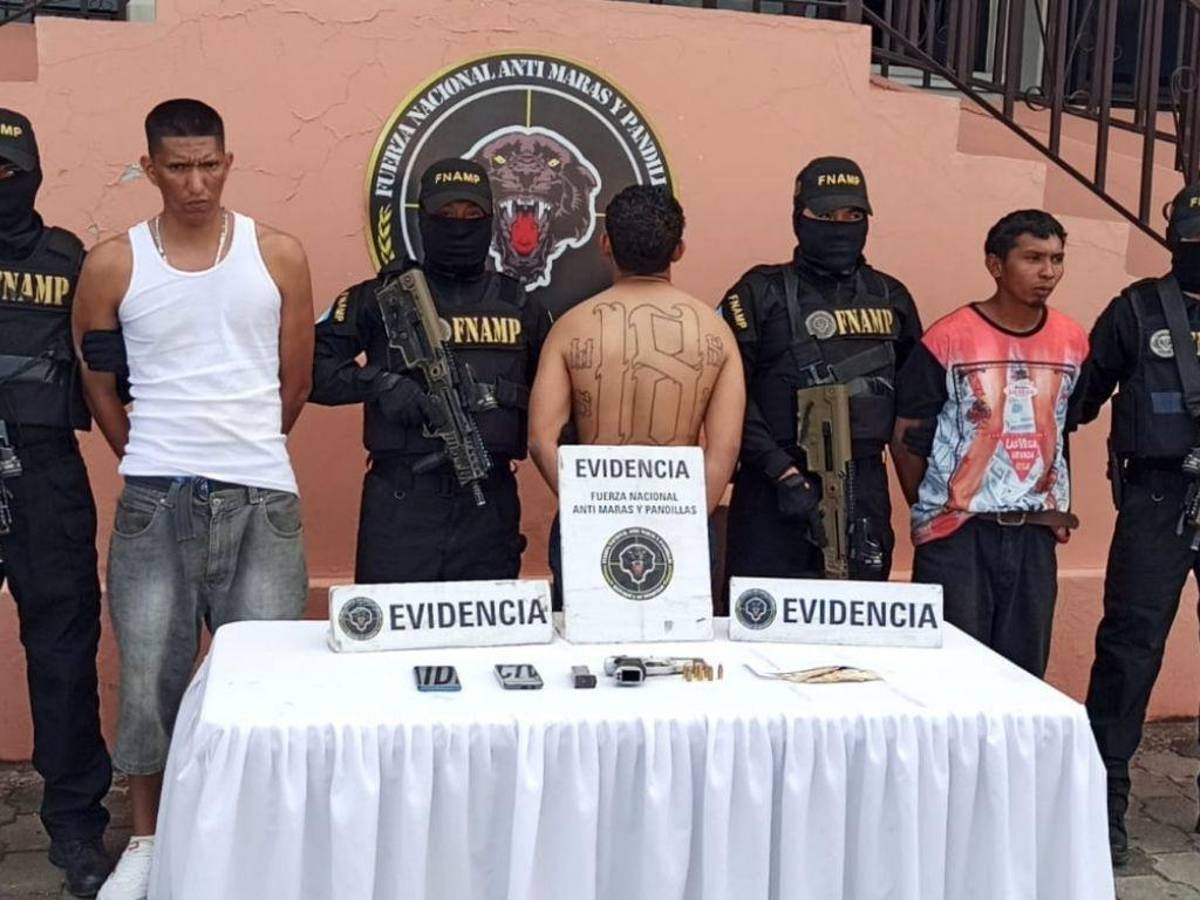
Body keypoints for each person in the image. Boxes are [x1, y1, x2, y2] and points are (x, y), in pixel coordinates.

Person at [72, 98, 314, 900]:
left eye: (210, 165)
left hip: (263, 499)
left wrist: (245, 450)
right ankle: (149, 842)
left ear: (228, 162)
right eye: (178, 167)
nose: (197, 183)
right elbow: (98, 382)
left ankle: (254, 844)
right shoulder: (114, 263)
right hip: (155, 498)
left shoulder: (278, 255)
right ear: (150, 168)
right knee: (148, 679)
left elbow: (295, 380)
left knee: (263, 679)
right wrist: (145, 454)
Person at [311, 158, 550, 582]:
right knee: (393, 622)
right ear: (423, 219)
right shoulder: (377, 298)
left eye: (471, 215)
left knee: (485, 624)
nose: (459, 226)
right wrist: (379, 384)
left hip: (488, 504)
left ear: (490, 220)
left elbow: (556, 402)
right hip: (402, 503)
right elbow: (310, 368)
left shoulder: (520, 305)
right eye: (446, 215)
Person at [891, 210, 1087, 678]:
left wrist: (1055, 505)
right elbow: (905, 437)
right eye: (1033, 258)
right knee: (953, 677)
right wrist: (936, 508)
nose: (1048, 272)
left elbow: (1061, 429)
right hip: (959, 535)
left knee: (1022, 679)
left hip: (1033, 535)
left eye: (1057, 259)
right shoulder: (949, 338)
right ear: (995, 265)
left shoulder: (1073, 340)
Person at [528, 184, 745, 593]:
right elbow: (725, 447)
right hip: (681, 520)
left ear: (605, 244)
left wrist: (589, 508)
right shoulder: (715, 333)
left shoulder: (570, 328)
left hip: (588, 518)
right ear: (678, 250)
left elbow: (541, 440)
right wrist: (687, 520)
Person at [0, 108, 113, 897]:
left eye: (7, 172)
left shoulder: (72, 259)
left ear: (34, 174)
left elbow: (109, 362)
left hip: (44, 474)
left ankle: (75, 829)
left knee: (65, 656)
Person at [719, 156, 922, 582]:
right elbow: (728, 397)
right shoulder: (759, 292)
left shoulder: (892, 297)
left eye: (853, 216)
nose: (840, 226)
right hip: (774, 491)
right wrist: (782, 473)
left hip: (863, 489)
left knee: (858, 618)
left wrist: (924, 501)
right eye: (826, 216)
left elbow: (913, 408)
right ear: (799, 218)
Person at [1075, 182, 1200, 866]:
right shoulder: (1136, 310)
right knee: (1129, 651)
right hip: (1157, 496)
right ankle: (1103, 807)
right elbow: (1077, 398)